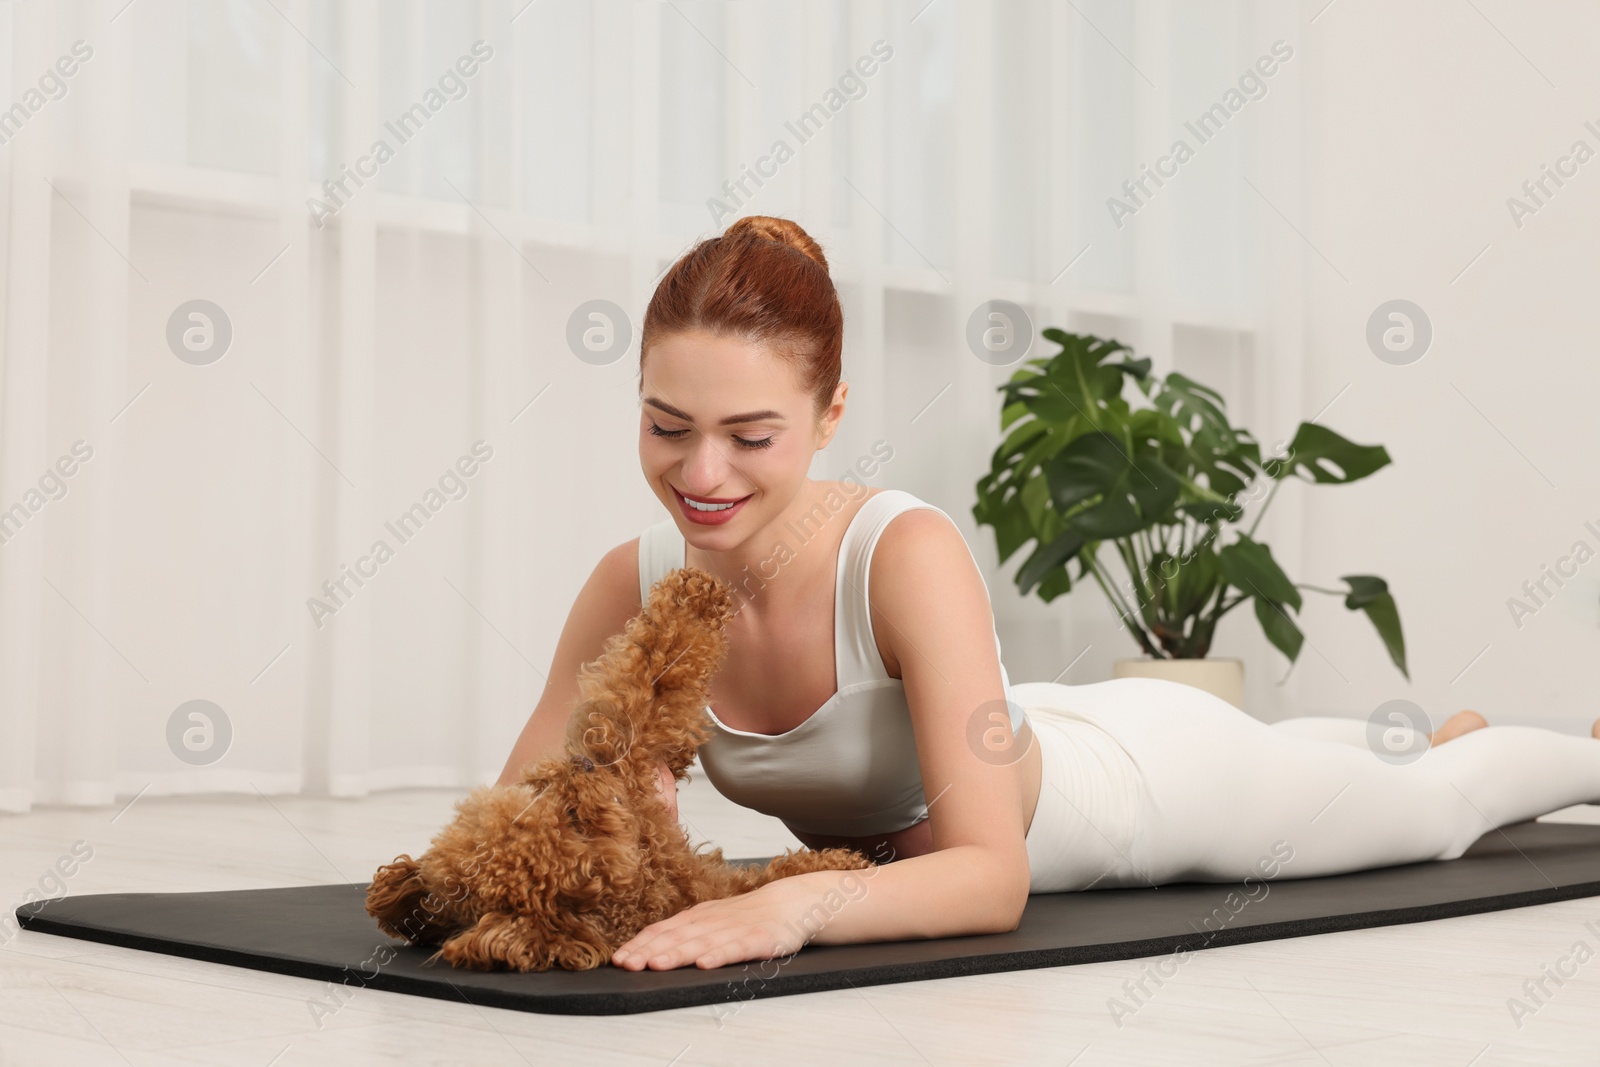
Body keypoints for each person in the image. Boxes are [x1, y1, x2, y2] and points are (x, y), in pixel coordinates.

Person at [496, 214, 1600, 973]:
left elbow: (987, 879)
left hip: (1141, 789)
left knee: (1440, 812)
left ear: (832, 414)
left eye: (750, 436)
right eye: (665, 426)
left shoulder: (898, 551)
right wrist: (610, 824)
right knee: (1358, 765)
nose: (700, 475)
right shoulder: (630, 582)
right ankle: (1415, 738)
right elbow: (514, 816)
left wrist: (789, 904)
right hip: (1026, 724)